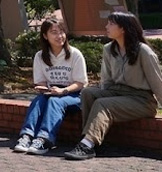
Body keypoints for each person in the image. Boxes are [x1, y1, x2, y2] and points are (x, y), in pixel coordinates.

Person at [65, 11, 162, 160]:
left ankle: (87, 145)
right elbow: (107, 80)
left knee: (103, 104)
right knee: (88, 93)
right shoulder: (109, 49)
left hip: (141, 100)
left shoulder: (143, 51)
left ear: (123, 28)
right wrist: (103, 93)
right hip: (116, 92)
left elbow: (157, 83)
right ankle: (89, 140)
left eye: (111, 23)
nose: (106, 26)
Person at [13, 18, 87, 155]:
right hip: (53, 92)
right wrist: (44, 89)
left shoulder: (75, 54)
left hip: (75, 94)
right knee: (39, 100)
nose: (60, 36)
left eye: (62, 32)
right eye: (54, 33)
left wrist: (62, 91)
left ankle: (44, 140)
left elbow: (81, 83)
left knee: (54, 101)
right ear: (45, 36)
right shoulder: (40, 56)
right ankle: (26, 136)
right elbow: (40, 82)